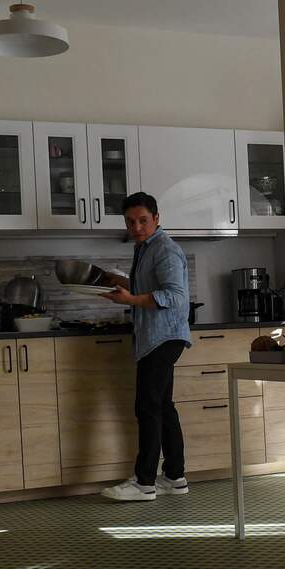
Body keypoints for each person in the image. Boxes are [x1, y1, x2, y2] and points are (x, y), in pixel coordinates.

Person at [98, 192, 193, 502]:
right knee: (162, 406)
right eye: (130, 222)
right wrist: (121, 282)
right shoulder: (146, 248)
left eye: (142, 220)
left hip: (163, 336)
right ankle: (175, 477)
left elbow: (175, 296)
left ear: (156, 218)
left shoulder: (165, 249)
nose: (136, 227)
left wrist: (130, 299)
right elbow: (150, 287)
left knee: (148, 407)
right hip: (159, 337)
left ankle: (144, 483)